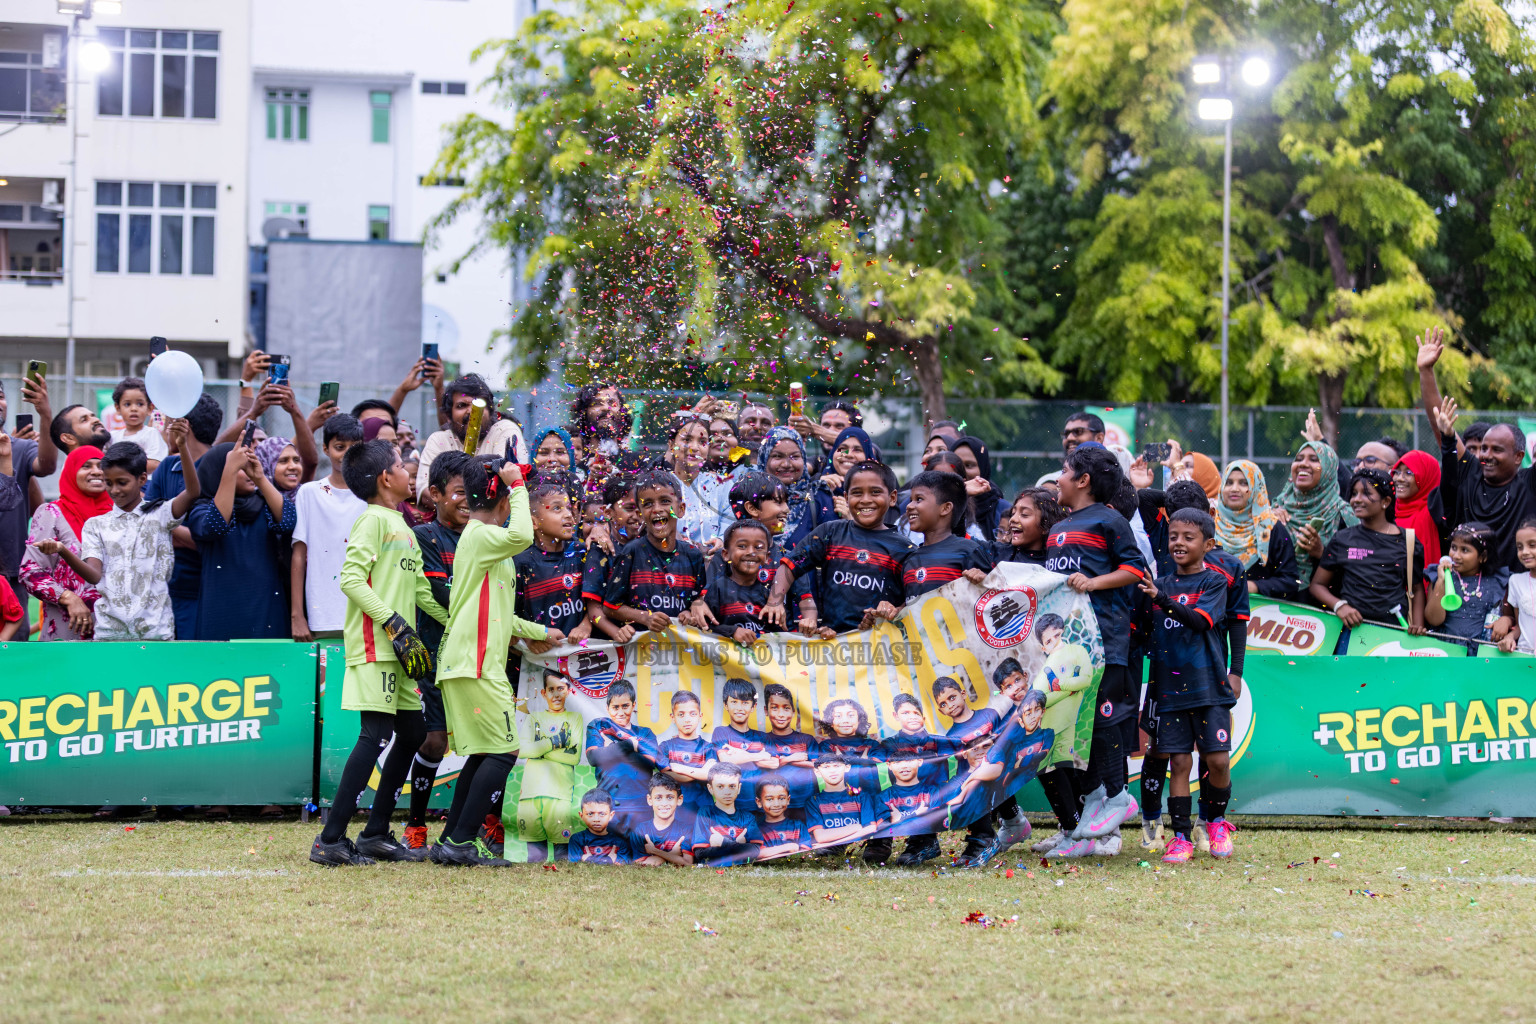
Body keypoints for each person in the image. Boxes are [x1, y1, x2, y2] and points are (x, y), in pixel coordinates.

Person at [310, 438, 448, 866]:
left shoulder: (402, 525)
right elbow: (351, 580)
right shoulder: (372, 521)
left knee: (410, 735)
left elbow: (422, 591)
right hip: (377, 647)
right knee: (376, 735)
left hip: (401, 653)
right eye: (404, 466)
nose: (411, 471)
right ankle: (330, 840)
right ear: (387, 478)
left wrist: (458, 621)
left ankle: (375, 834)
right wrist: (392, 621)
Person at [432, 458, 556, 867]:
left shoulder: (487, 543)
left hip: (473, 662)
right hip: (475, 663)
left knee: (486, 752)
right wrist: (518, 483)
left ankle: (452, 839)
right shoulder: (483, 534)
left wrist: (540, 633)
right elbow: (522, 533)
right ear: (504, 500)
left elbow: (502, 612)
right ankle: (462, 841)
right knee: (503, 752)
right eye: (513, 497)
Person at [1047, 443, 1146, 842]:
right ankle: (1094, 797)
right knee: (1072, 726)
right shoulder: (1057, 528)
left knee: (1102, 722)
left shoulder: (1110, 520)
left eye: (1065, 469)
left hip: (1103, 642)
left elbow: (1135, 570)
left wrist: (1094, 583)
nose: (1058, 476)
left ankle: (1119, 797)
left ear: (1083, 481)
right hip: (1064, 647)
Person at [1138, 508, 1239, 863]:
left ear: (1208, 544)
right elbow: (1147, 631)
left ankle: (1216, 821)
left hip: (1209, 687)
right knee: (1179, 763)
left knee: (1217, 760)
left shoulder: (1213, 583)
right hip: (1169, 690)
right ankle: (1180, 837)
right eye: (1174, 536)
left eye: (1188, 537)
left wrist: (1160, 601)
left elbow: (1199, 622)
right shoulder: (1159, 584)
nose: (1179, 542)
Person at [38, 432, 200, 641]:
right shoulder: (96, 525)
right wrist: (63, 550)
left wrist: (182, 446)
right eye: (108, 483)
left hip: (155, 631)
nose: (114, 490)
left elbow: (193, 491)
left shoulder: (160, 514)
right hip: (109, 632)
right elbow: (94, 576)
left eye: (122, 482)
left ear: (142, 479)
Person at [402, 451, 475, 853]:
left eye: (475, 493)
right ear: (435, 494)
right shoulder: (424, 536)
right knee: (434, 742)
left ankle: (477, 825)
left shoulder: (483, 535)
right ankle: (415, 824)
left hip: (480, 655)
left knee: (488, 745)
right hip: (435, 653)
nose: (468, 501)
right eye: (460, 493)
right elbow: (439, 596)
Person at [765, 461, 911, 635]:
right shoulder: (831, 532)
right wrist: (775, 601)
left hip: (880, 648)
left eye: (875, 492)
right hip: (832, 643)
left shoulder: (904, 548)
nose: (865, 500)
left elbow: (913, 601)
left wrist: (893, 610)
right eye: (857, 493)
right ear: (846, 497)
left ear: (893, 497)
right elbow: (790, 566)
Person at [185, 441, 296, 640]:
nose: (249, 472)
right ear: (220, 472)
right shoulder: (200, 509)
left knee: (267, 670)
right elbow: (215, 525)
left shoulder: (265, 504)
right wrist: (230, 471)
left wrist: (261, 478)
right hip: (222, 615)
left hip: (266, 612)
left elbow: (289, 521)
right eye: (241, 469)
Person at [1310, 468, 1427, 641]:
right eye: (1354, 493)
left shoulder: (1408, 541)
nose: (1357, 499)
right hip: (1351, 634)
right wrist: (1339, 606)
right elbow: (1317, 585)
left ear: (1386, 501)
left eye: (1366, 494)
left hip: (1395, 635)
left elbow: (1416, 589)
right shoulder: (1342, 539)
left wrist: (1416, 628)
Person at [144, 393, 224, 640]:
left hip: (210, 590)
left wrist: (167, 526)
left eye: (169, 422)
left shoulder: (225, 469)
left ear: (183, 426)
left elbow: (217, 539)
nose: (165, 429)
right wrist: (190, 534)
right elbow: (147, 522)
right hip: (164, 590)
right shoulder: (167, 467)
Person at [601, 470, 708, 634]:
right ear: (640, 513)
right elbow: (610, 607)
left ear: (681, 509)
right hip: (641, 654)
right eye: (648, 504)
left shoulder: (693, 555)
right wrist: (644, 617)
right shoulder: (632, 552)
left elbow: (698, 600)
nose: (656, 509)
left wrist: (690, 612)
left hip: (680, 655)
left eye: (665, 501)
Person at [21, 445, 111, 640]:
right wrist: (68, 597)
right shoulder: (51, 513)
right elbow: (30, 571)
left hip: (118, 629)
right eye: (86, 466)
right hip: (69, 626)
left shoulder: (120, 513)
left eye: (101, 466)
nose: (96, 471)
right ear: (71, 472)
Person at [289, 415, 366, 641]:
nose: (347, 454)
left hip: (367, 613)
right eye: (339, 447)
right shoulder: (309, 493)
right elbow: (299, 556)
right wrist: (297, 615)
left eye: (354, 448)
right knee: (324, 676)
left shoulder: (372, 495)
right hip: (321, 613)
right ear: (325, 448)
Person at [1, 373, 60, 640]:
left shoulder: (20, 448)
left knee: (14, 657)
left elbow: (46, 466)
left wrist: (46, 415)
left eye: (1, 396)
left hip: (11, 574)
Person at [414, 374, 528, 500]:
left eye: (478, 405)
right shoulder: (439, 439)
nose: (471, 411)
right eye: (461, 406)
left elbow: (506, 489)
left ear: (490, 412)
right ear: (448, 416)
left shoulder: (504, 430)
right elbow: (425, 491)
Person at [515, 474, 596, 644]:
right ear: (534, 522)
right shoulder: (520, 562)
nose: (568, 514)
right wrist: (529, 639)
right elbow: (507, 616)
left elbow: (600, 598)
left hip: (581, 655)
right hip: (540, 660)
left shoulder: (583, 552)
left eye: (568, 507)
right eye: (557, 508)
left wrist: (586, 625)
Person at [933, 675, 1004, 866]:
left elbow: (1005, 739)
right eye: (943, 703)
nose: (950, 704)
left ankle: (987, 836)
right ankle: (980, 835)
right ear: (941, 710)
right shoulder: (951, 738)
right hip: (975, 782)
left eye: (952, 697)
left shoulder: (989, 715)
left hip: (1000, 773)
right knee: (963, 783)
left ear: (963, 694)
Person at [877, 693, 952, 866]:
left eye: (916, 713)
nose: (911, 717)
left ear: (923, 717)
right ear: (896, 716)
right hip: (900, 798)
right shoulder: (890, 744)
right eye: (905, 713)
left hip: (932, 799)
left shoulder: (939, 742)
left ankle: (924, 840)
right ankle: (882, 838)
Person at [1274, 439, 1357, 588]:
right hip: (1276, 603)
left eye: (1314, 460)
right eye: (1298, 459)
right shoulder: (1276, 508)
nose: (1303, 464)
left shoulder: (1344, 515)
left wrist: (1321, 553)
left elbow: (1356, 571)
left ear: (1328, 469)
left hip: (1323, 605)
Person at [517, 670, 585, 848]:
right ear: (543, 692)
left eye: (560, 689)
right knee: (534, 855)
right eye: (551, 689)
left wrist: (538, 748)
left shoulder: (574, 718)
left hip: (560, 793)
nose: (556, 694)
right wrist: (555, 742)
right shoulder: (533, 718)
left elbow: (574, 758)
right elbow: (523, 750)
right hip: (530, 793)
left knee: (562, 852)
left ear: (568, 691)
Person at [1214, 460, 1301, 598]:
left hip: (1259, 615)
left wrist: (1254, 586)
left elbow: (1290, 582)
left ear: (1256, 487)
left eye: (1244, 483)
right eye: (1229, 482)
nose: (1234, 488)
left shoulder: (1271, 528)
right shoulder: (1209, 524)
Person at [901, 470, 991, 600]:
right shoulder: (909, 559)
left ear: (945, 508)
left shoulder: (969, 551)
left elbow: (991, 597)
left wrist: (984, 580)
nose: (909, 506)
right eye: (910, 500)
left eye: (918, 499)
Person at [584, 679, 661, 827]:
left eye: (625, 706)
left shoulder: (645, 733)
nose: (620, 712)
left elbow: (649, 763)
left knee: (641, 850)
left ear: (634, 705)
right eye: (615, 707)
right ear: (607, 707)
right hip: (607, 809)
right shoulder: (598, 726)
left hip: (641, 810)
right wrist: (631, 745)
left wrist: (611, 748)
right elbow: (594, 758)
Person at [698, 519, 782, 643]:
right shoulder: (718, 589)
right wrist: (733, 631)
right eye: (742, 546)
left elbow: (777, 634)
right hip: (727, 660)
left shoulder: (768, 594)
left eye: (758, 547)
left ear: (767, 557)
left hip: (761, 659)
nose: (751, 552)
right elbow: (704, 628)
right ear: (726, 554)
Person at [756, 427, 836, 553]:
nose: (787, 464)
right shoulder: (751, 497)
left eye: (795, 456)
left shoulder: (818, 497)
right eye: (777, 456)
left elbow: (832, 550)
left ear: (804, 459)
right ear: (764, 459)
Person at [1425, 522, 1506, 647]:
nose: (1456, 556)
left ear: (1483, 556)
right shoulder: (1440, 577)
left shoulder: (1496, 581)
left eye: (1465, 550)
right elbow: (1434, 620)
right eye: (1453, 547)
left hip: (1479, 651)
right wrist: (1441, 581)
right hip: (1447, 648)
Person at [661, 414, 726, 547]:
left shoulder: (722, 484)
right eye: (687, 440)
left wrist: (722, 539)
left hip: (713, 561)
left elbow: (729, 521)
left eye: (702, 442)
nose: (694, 447)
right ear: (671, 445)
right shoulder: (659, 486)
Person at [689, 762, 762, 866]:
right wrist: (739, 846)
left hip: (740, 871)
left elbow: (755, 852)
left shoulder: (748, 818)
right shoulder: (705, 813)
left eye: (732, 786)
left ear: (739, 788)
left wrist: (723, 843)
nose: (727, 792)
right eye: (720, 786)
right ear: (711, 789)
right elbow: (700, 854)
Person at [658, 690, 717, 814]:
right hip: (674, 811)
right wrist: (699, 772)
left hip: (704, 810)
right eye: (681, 714)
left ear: (700, 716)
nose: (687, 719)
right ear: (672, 717)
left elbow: (708, 775)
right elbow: (666, 774)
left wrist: (677, 767)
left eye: (692, 714)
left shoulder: (708, 747)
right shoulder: (665, 747)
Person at [1392, 450, 1446, 565]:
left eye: (1408, 473)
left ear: (1427, 477)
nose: (1399, 478)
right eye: (1397, 472)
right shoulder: (1390, 510)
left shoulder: (1435, 512)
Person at [948, 436, 1005, 543]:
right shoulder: (937, 506)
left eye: (969, 465)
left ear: (983, 468)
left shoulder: (1001, 510)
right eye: (956, 465)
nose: (962, 471)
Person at [629, 774, 694, 865]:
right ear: (650, 800)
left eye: (670, 797)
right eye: (658, 798)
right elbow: (641, 866)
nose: (664, 803)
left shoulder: (686, 830)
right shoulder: (640, 830)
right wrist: (673, 854)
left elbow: (688, 863)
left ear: (679, 799)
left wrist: (655, 851)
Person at [1493, 520, 1536, 654]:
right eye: (1519, 547)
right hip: (1525, 657)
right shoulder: (1516, 581)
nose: (1525, 552)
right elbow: (1520, 625)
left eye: (1532, 545)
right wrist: (1510, 637)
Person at [108, 377, 168, 470]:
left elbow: (154, 463)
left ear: (150, 408)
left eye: (140, 404)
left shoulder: (151, 434)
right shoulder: (112, 437)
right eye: (127, 404)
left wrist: (122, 467)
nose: (134, 409)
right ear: (118, 408)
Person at [754, 774, 812, 859]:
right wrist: (787, 847)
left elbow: (805, 851)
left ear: (788, 800)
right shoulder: (757, 831)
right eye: (769, 799)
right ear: (759, 802)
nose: (776, 804)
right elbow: (757, 853)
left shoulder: (798, 826)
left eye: (781, 798)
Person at [566, 790, 631, 864]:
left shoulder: (620, 843)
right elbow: (574, 866)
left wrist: (588, 860)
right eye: (590, 814)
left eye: (602, 814)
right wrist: (610, 861)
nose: (596, 819)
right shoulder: (576, 840)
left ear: (611, 815)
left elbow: (622, 867)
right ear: (582, 816)